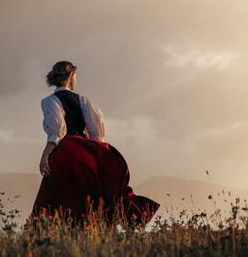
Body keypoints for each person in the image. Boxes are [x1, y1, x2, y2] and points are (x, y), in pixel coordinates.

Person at [30, 60, 160, 227]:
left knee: (58, 197)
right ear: (71, 77)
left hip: (65, 153)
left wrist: (46, 155)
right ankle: (95, 229)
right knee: (91, 195)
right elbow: (96, 136)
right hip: (85, 153)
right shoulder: (84, 101)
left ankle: (54, 232)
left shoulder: (50, 101)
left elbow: (56, 133)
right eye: (75, 77)